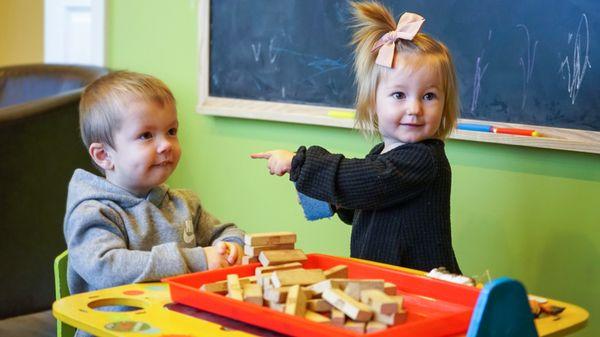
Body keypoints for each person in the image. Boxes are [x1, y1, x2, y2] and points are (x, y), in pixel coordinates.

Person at [251, 1, 461, 274]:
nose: (415, 109)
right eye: (399, 95)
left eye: (429, 96)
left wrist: (299, 163)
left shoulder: (424, 158)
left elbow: (370, 181)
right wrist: (338, 204)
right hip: (387, 282)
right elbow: (368, 200)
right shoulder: (380, 155)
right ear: (373, 103)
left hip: (421, 289)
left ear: (444, 104)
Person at [64, 71, 245, 302]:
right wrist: (197, 260)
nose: (166, 145)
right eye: (146, 135)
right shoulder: (95, 213)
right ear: (103, 155)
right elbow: (106, 267)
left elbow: (226, 232)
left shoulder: (184, 204)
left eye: (171, 131)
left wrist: (230, 246)